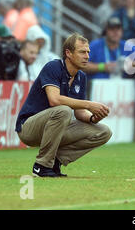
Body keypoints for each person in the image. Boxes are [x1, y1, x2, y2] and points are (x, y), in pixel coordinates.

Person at [15, 33, 112, 177]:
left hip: (56, 127)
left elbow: (79, 114)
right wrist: (89, 104)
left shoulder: (81, 77)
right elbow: (54, 100)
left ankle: (56, 161)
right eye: (82, 52)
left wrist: (93, 118)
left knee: (104, 131)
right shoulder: (53, 67)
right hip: (29, 127)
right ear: (68, 53)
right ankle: (41, 165)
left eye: (88, 52)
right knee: (64, 110)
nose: (87, 56)